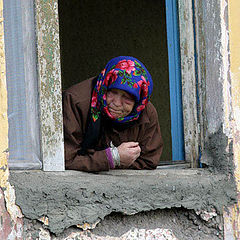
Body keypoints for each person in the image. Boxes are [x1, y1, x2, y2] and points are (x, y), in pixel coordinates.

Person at [63, 56, 163, 172]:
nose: (116, 103)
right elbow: (66, 159)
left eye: (127, 98)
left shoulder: (146, 112)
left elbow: (149, 161)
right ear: (105, 86)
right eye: (112, 92)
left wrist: (116, 161)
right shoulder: (76, 102)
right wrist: (113, 157)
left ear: (138, 102)